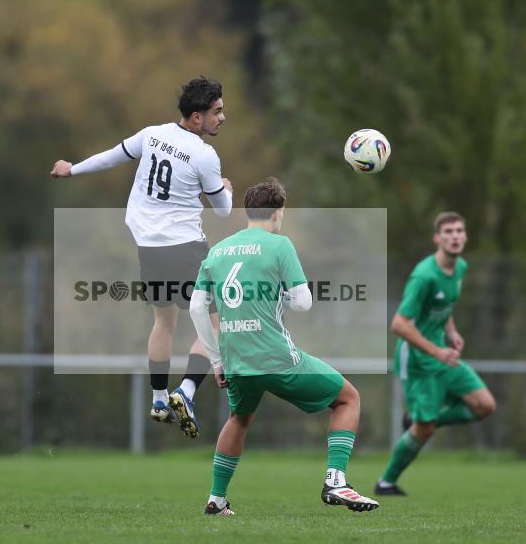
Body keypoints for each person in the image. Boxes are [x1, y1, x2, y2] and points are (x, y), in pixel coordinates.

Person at [50, 76, 233, 439]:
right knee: (217, 320)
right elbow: (224, 212)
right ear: (196, 118)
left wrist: (72, 168)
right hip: (185, 245)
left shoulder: (153, 134)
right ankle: (187, 391)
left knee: (163, 323)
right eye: (217, 111)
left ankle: (159, 398)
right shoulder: (205, 155)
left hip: (148, 245)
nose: (222, 118)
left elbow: (110, 158)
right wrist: (225, 188)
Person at [189, 177, 379, 515]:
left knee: (238, 418)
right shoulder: (279, 245)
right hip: (276, 357)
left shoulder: (217, 251)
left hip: (235, 360)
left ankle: (216, 500)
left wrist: (217, 362)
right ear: (278, 213)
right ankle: (336, 481)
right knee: (348, 398)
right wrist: (279, 291)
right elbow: (303, 302)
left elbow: (196, 307)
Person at [376, 212, 497, 496]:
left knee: (484, 405)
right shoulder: (424, 275)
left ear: (465, 236)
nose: (455, 236)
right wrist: (437, 351)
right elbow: (399, 324)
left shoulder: (460, 268)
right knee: (424, 431)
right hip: (418, 360)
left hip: (443, 356)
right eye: (449, 232)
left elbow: (445, 306)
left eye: (459, 231)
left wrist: (451, 331)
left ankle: (421, 420)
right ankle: (386, 483)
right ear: (437, 238)